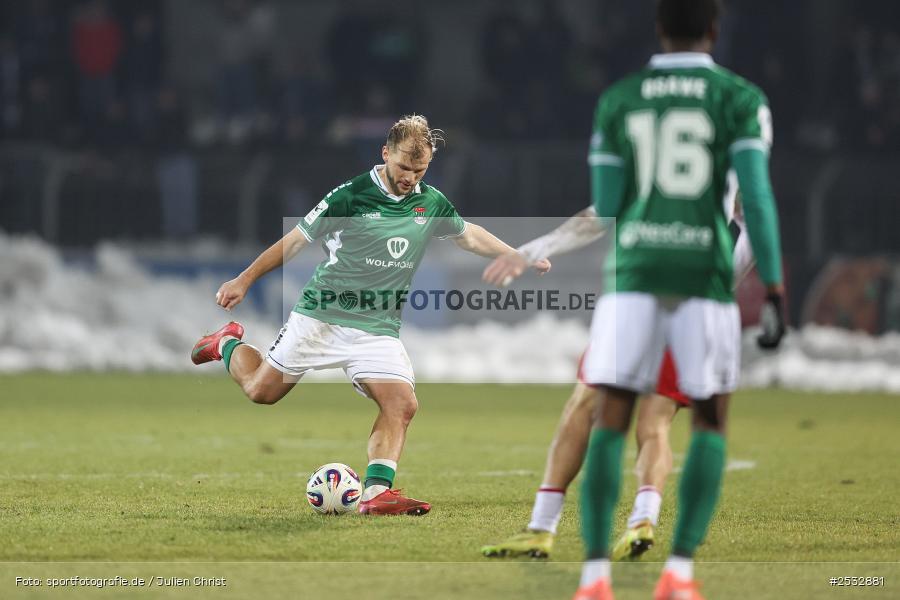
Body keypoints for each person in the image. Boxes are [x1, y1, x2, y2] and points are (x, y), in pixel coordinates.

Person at [190, 115, 550, 516]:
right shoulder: (350, 196)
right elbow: (293, 242)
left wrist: (515, 254)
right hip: (322, 317)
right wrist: (245, 278)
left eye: (420, 170)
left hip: (377, 328)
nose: (410, 178)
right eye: (403, 168)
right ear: (385, 154)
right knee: (261, 391)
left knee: (402, 404)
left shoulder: (429, 202)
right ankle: (225, 343)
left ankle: (377, 493)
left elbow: (468, 234)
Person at [569, 0, 786, 596]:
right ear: (715, 30)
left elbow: (608, 203)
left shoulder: (619, 99)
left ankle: (592, 578)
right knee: (710, 422)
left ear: (658, 29)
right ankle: (679, 572)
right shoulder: (741, 99)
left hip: (635, 273)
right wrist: (773, 285)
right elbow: (758, 200)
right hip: (704, 278)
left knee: (611, 421)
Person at [480, 194, 757, 562]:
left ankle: (542, 528)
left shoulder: (637, 147)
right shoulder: (726, 155)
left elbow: (595, 217)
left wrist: (532, 250)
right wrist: (727, 280)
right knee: (656, 424)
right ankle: (644, 520)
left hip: (636, 300)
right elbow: (755, 224)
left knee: (583, 407)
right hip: (696, 304)